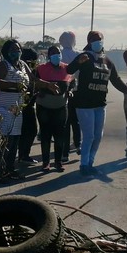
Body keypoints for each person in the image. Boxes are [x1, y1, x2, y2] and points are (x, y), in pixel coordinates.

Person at [67, 31, 127, 177]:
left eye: (99, 39)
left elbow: (116, 80)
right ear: (89, 42)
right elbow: (69, 70)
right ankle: (84, 164)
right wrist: (77, 62)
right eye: (94, 40)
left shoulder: (107, 61)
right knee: (89, 136)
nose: (97, 42)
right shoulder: (84, 56)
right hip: (85, 104)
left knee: (98, 136)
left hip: (100, 104)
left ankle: (90, 163)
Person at [0, 39, 58, 180]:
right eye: (14, 49)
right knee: (6, 140)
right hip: (3, 106)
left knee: (15, 140)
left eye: (19, 49)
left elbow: (33, 80)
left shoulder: (22, 65)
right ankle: (0, 171)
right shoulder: (4, 65)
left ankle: (10, 169)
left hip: (17, 107)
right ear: (7, 51)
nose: (17, 52)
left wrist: (48, 85)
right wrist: (15, 85)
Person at [35, 44, 73, 172]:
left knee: (59, 136)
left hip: (61, 107)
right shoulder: (40, 69)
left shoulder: (67, 68)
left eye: (58, 53)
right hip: (44, 107)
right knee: (45, 135)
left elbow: (72, 82)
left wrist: (71, 90)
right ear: (48, 56)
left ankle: (58, 162)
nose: (56, 55)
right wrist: (39, 90)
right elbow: (33, 82)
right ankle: (45, 163)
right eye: (53, 53)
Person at [59, 31, 80, 161]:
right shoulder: (78, 54)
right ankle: (78, 145)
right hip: (77, 90)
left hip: (63, 91)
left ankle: (64, 152)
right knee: (76, 121)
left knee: (65, 123)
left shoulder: (59, 54)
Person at [18, 47, 40, 164]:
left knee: (31, 131)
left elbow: (38, 84)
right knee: (20, 133)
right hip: (18, 106)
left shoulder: (35, 72)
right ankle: (21, 155)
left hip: (30, 106)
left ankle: (24, 154)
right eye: (31, 61)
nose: (33, 63)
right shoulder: (19, 71)